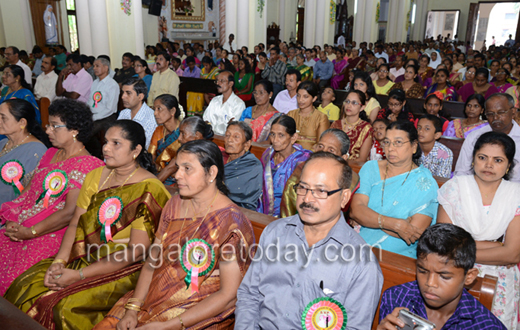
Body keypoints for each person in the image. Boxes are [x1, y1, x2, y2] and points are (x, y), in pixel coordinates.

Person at [4, 120, 170, 329]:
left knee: (64, 306)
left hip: (124, 265)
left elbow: (135, 253)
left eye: (116, 143)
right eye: (106, 142)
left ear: (136, 150)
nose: (106, 148)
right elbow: (75, 224)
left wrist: (78, 276)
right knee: (25, 284)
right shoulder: (95, 177)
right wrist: (60, 261)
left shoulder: (149, 189)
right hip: (84, 253)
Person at [93, 139, 254, 330]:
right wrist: (133, 309)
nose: (177, 175)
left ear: (211, 173)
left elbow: (228, 295)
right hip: (152, 297)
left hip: (196, 314)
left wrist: (171, 325)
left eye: (187, 168)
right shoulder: (174, 204)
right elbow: (152, 262)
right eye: (178, 167)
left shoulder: (232, 222)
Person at [237, 152, 384, 329]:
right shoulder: (275, 233)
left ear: (344, 197)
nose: (307, 199)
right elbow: (250, 295)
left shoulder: (361, 263)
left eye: (321, 191)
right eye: (303, 188)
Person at [0, 99, 104, 295]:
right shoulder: (50, 154)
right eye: (49, 125)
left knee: (11, 281)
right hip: (22, 226)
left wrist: (30, 232)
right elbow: (26, 195)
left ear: (74, 130)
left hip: (52, 233)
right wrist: (12, 218)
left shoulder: (88, 164)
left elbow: (70, 212)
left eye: (55, 126)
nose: (48, 131)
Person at [438, 132, 520, 328]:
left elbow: (512, 253)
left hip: (499, 279)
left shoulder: (515, 195)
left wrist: (461, 248)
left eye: (498, 160)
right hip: (454, 272)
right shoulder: (454, 188)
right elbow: (444, 245)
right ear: (473, 159)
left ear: (509, 165)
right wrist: (495, 246)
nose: (489, 165)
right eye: (482, 158)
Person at [377, 223, 506, 330]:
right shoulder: (396, 297)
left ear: (469, 277)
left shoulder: (487, 326)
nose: (430, 283)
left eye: (444, 276)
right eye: (423, 271)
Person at [350, 121, 439, 258]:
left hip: (398, 254)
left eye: (398, 142)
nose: (390, 148)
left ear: (414, 146)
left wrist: (368, 219)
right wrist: (396, 224)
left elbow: (414, 232)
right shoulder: (370, 168)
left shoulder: (425, 182)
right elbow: (356, 211)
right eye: (387, 142)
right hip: (359, 244)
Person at [280, 128, 361, 217]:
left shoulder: (351, 179)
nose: (323, 152)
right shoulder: (302, 169)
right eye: (320, 146)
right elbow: (288, 203)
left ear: (343, 158)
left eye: (331, 150)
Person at [455, 93, 520, 182]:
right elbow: (462, 172)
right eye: (490, 114)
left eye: (501, 113)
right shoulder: (475, 137)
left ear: (513, 112)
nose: (495, 117)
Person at [257, 115, 311, 217]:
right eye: (272, 134)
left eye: (281, 135)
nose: (275, 140)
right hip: (262, 209)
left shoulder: (302, 161)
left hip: (288, 214)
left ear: (293, 137)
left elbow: (299, 196)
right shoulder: (267, 155)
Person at [0, 99, 49, 205]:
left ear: (22, 123)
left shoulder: (36, 151)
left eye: (3, 118)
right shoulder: (3, 142)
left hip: (11, 212)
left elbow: (33, 193)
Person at [157, 116, 215, 185]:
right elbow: (170, 168)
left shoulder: (206, 154)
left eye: (183, 134)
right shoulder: (186, 150)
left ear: (197, 135)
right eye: (179, 134)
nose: (179, 138)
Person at [223, 122, 263, 210]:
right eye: (227, 135)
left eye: (236, 137)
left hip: (236, 211)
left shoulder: (252, 165)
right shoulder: (219, 157)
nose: (229, 140)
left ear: (247, 144)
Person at [148, 94, 182, 182]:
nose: (155, 113)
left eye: (159, 109)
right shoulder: (159, 130)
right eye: (154, 109)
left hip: (176, 177)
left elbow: (173, 166)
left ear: (172, 111)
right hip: (158, 173)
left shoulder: (183, 132)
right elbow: (150, 157)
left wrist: (154, 183)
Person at [331, 90, 373, 161]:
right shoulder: (335, 124)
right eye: (347, 101)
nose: (349, 105)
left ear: (362, 107)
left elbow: (362, 159)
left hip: (354, 168)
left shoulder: (366, 128)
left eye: (354, 103)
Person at [287, 81, 330, 150]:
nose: (300, 100)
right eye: (298, 96)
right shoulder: (291, 114)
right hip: (290, 154)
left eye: (305, 97)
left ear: (314, 98)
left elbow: (321, 145)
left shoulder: (321, 118)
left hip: (311, 157)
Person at [203, 70, 246, 136]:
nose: (218, 83)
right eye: (217, 80)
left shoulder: (238, 104)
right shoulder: (215, 100)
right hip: (211, 137)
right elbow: (206, 119)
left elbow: (233, 127)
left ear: (230, 84)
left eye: (222, 81)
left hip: (226, 139)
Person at [118, 78, 157, 149]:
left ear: (140, 97)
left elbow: (145, 147)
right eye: (123, 92)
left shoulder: (151, 118)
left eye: (128, 93)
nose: (123, 97)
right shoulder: (123, 113)